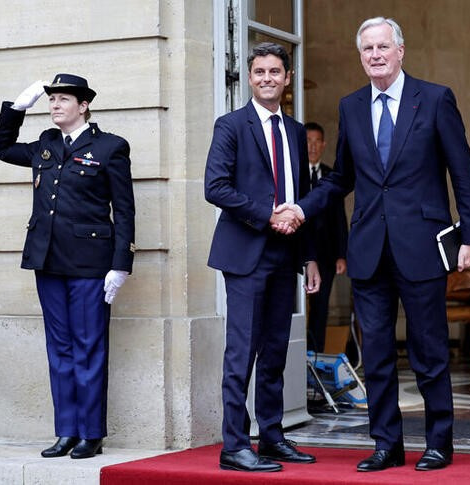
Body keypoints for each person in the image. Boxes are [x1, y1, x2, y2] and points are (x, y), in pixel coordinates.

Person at [275, 17, 470, 472]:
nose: (375, 54)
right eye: (367, 48)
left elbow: (462, 171)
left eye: (382, 46)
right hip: (368, 248)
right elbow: (342, 178)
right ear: (361, 56)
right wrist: (302, 208)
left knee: (429, 349)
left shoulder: (433, 99)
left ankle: (438, 443)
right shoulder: (351, 106)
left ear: (400, 50)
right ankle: (386, 444)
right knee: (376, 354)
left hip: (422, 245)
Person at [0, 73, 135, 459]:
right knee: (60, 349)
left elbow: (123, 210)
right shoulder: (45, 144)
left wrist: (120, 264)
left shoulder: (109, 147)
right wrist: (16, 108)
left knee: (89, 348)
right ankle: (66, 431)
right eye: (52, 99)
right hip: (49, 261)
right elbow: (2, 149)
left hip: (91, 264)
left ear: (83, 105)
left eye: (63, 99)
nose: (55, 104)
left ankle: (91, 433)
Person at [204, 42, 321, 473]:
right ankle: (234, 445)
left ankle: (272, 437)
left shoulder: (294, 130)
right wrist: (266, 216)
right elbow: (214, 187)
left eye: (275, 71)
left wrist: (309, 256)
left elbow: (303, 198)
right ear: (250, 78)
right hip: (246, 252)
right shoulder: (230, 125)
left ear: (287, 78)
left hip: (286, 253)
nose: (268, 78)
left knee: (275, 352)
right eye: (259, 72)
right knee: (242, 354)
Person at [304, 122, 348, 353]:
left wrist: (342, 254)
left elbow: (339, 217)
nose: (312, 147)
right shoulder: (294, 172)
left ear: (323, 145)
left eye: (316, 142)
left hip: (326, 253)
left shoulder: (331, 175)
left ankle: (316, 357)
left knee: (321, 308)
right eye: (307, 141)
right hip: (298, 251)